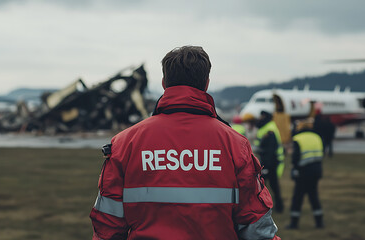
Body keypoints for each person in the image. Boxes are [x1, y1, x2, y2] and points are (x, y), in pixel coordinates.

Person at [90, 46, 280, 240]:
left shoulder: (125, 143)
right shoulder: (235, 145)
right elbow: (257, 229)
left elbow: (107, 227)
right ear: (206, 84)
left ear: (164, 83)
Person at [242, 111, 285, 213]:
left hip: (269, 163)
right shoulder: (266, 127)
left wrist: (265, 166)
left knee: (263, 186)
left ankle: (272, 206)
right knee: (271, 186)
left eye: (261, 117)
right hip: (268, 162)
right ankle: (276, 206)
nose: (259, 119)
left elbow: (269, 150)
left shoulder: (269, 130)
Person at [287, 120, 324, 229]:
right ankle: (319, 222)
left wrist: (294, 169)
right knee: (314, 196)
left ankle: (294, 223)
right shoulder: (317, 137)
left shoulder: (298, 139)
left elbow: (295, 158)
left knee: (297, 197)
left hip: (303, 173)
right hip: (316, 171)